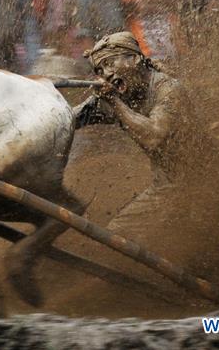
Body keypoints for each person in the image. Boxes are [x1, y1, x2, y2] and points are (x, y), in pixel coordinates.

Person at [74, 32, 207, 234]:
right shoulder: (116, 96)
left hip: (205, 188)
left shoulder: (168, 89)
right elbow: (67, 118)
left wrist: (114, 102)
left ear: (134, 59)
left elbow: (154, 137)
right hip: (165, 188)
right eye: (100, 70)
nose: (106, 74)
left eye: (110, 63)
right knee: (116, 236)